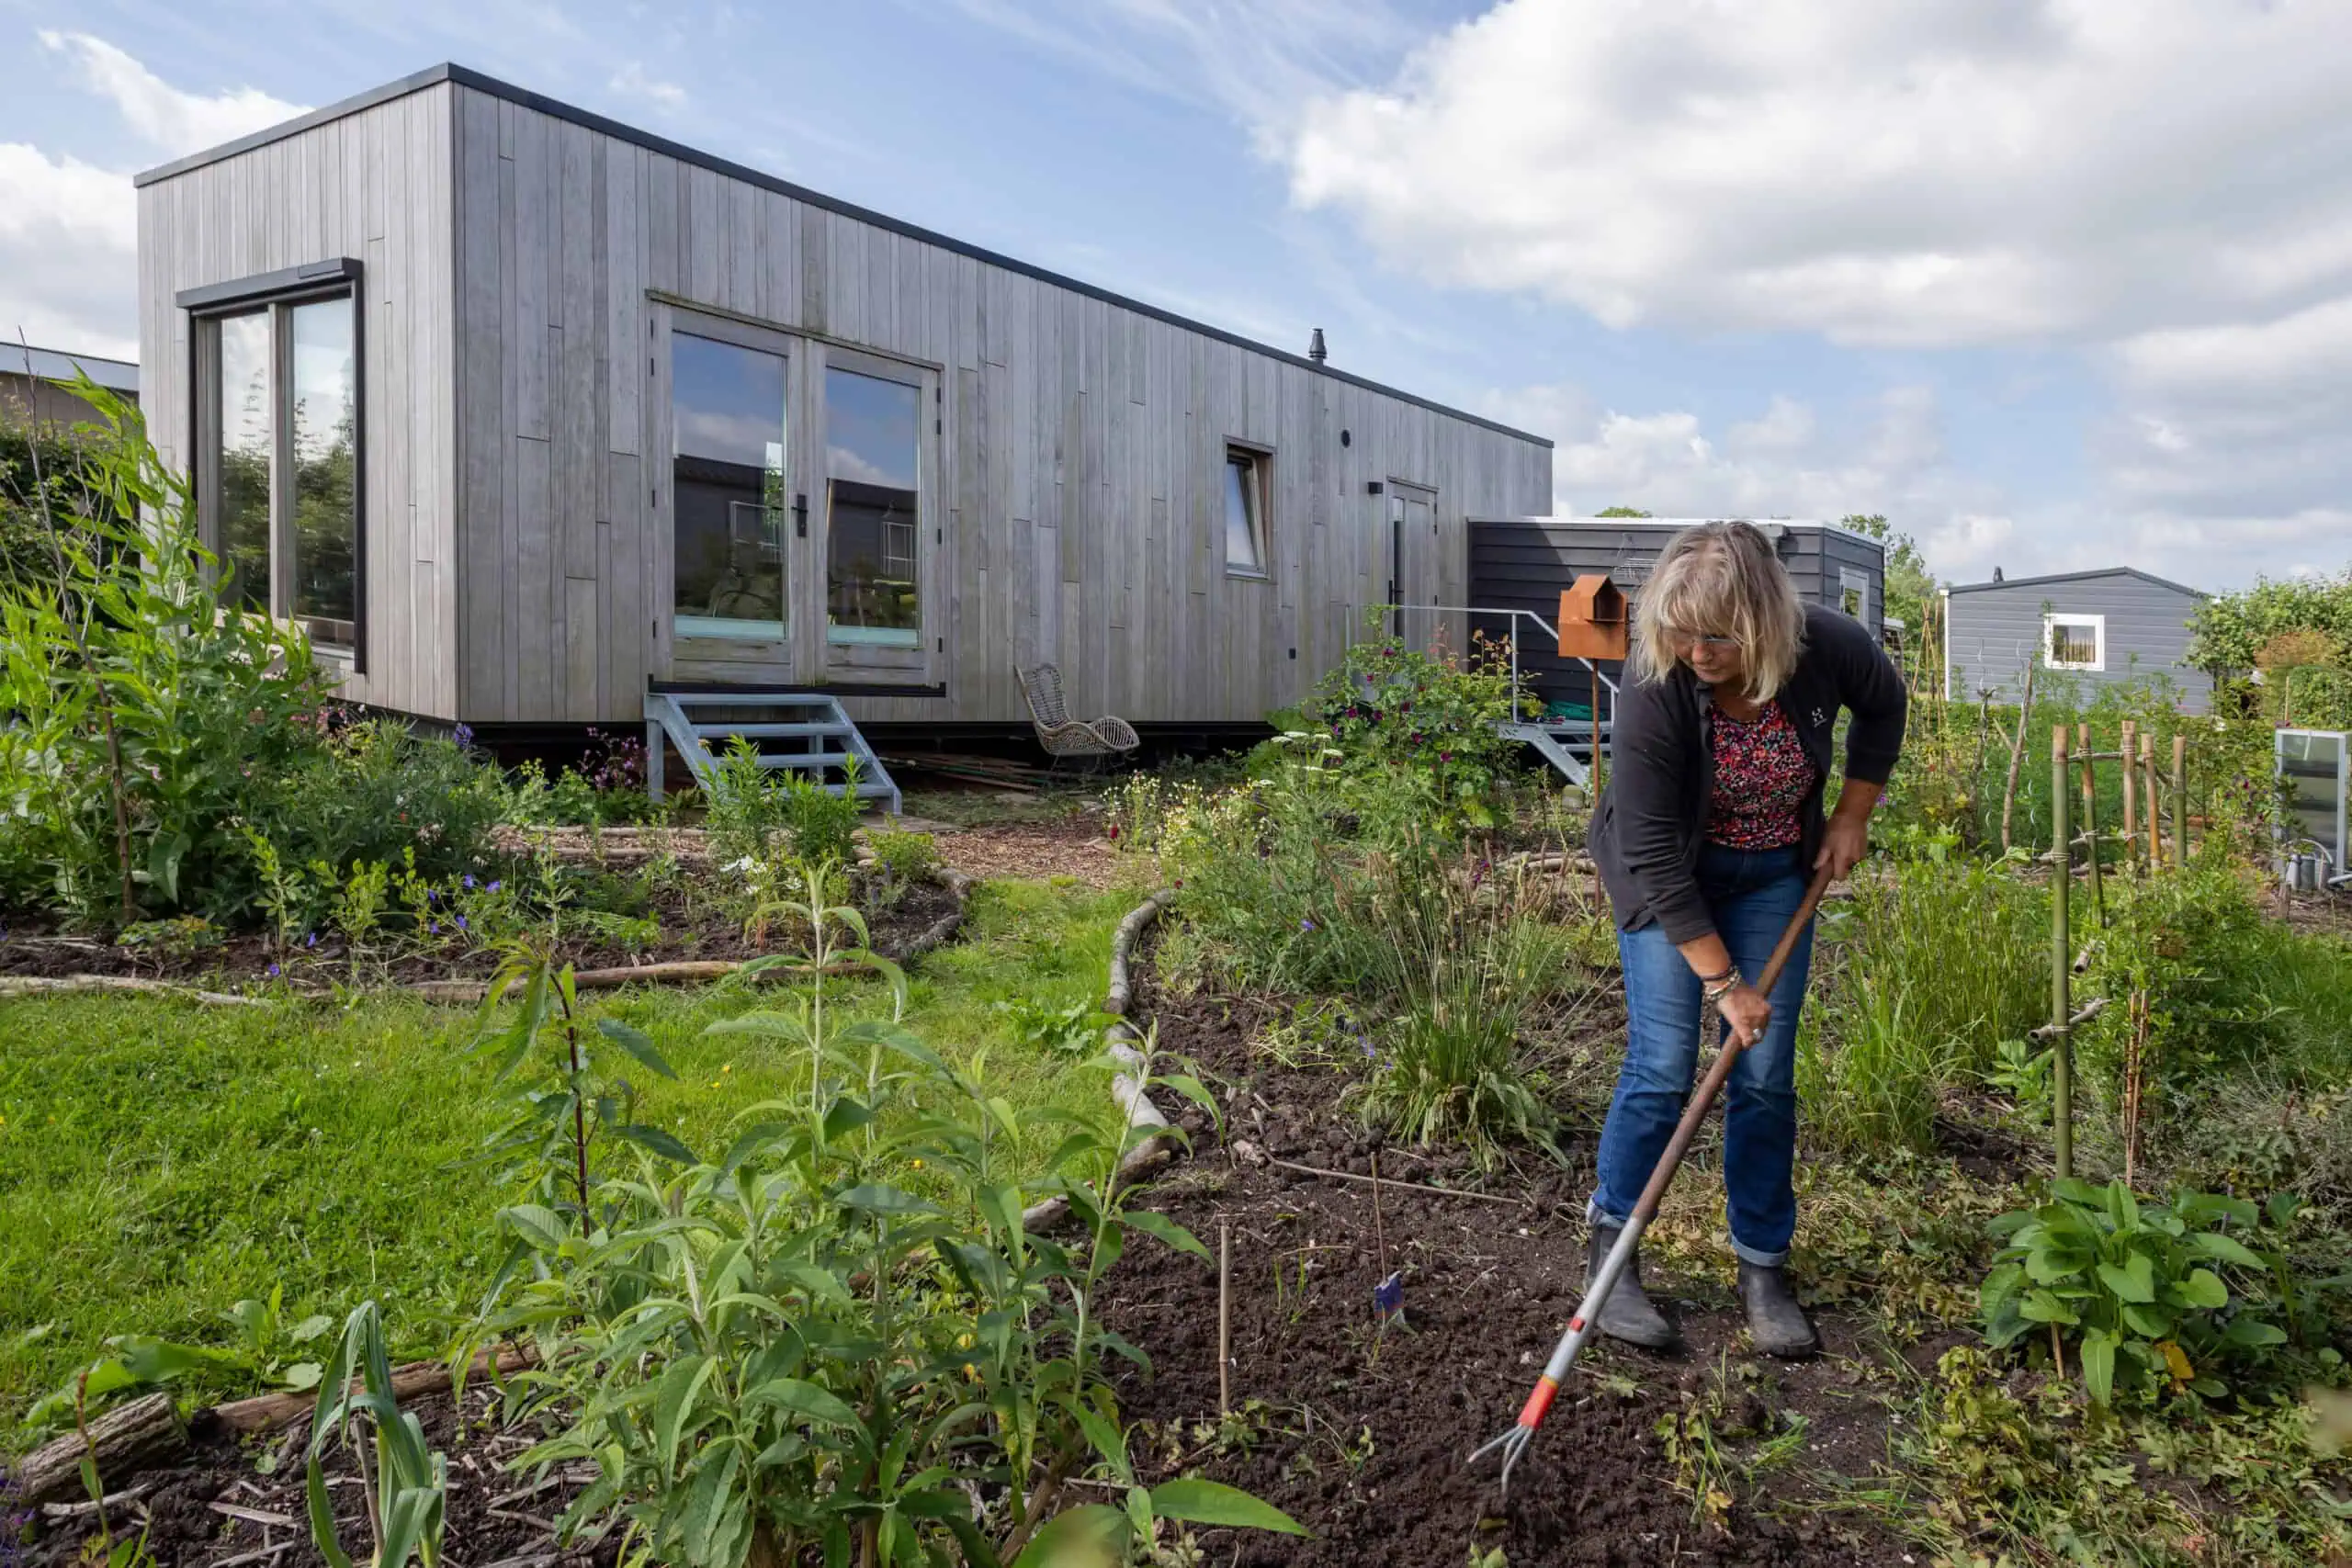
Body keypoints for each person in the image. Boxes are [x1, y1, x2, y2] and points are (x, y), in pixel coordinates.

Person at [1585, 521, 1906, 1359]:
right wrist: (1726, 986)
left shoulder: (1827, 647)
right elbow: (1653, 852)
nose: (1696, 650)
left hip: (1772, 876)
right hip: (1670, 880)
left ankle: (1763, 1263)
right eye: (1681, 630)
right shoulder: (1656, 680)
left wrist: (1853, 812)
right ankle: (1611, 1254)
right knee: (1661, 1065)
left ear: (1767, 624)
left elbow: (1885, 703)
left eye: (1718, 634)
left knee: (1764, 1072)